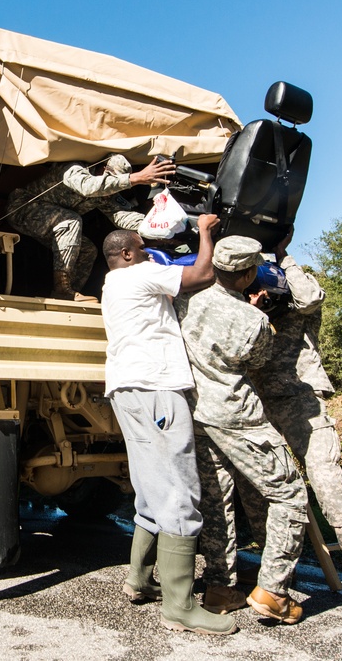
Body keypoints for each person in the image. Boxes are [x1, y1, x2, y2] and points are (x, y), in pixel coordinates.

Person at [240, 229, 342, 625]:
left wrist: (283, 256)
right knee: (259, 490)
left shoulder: (295, 289)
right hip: (256, 402)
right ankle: (276, 577)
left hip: (301, 400)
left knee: (327, 484)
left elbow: (311, 297)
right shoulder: (242, 296)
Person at [101, 212, 237, 636]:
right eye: (143, 249)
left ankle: (139, 579)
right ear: (127, 254)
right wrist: (204, 232)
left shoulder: (111, 284)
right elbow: (201, 273)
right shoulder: (140, 276)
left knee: (150, 486)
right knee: (179, 488)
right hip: (156, 387)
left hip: (128, 388)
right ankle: (180, 606)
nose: (150, 254)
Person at [176, 235, 309, 625]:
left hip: (197, 414)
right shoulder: (255, 321)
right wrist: (256, 314)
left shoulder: (188, 303)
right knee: (290, 495)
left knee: (218, 501)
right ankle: (273, 590)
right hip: (237, 415)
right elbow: (257, 360)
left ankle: (220, 587)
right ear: (250, 274)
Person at [7, 154, 175, 302]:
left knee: (88, 250)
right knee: (71, 221)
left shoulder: (106, 194)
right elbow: (88, 187)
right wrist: (135, 178)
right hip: (22, 208)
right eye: (112, 180)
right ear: (102, 168)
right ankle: (62, 290)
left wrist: (158, 224)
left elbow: (121, 216)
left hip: (50, 223)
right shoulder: (75, 170)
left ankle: (66, 294)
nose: (112, 191)